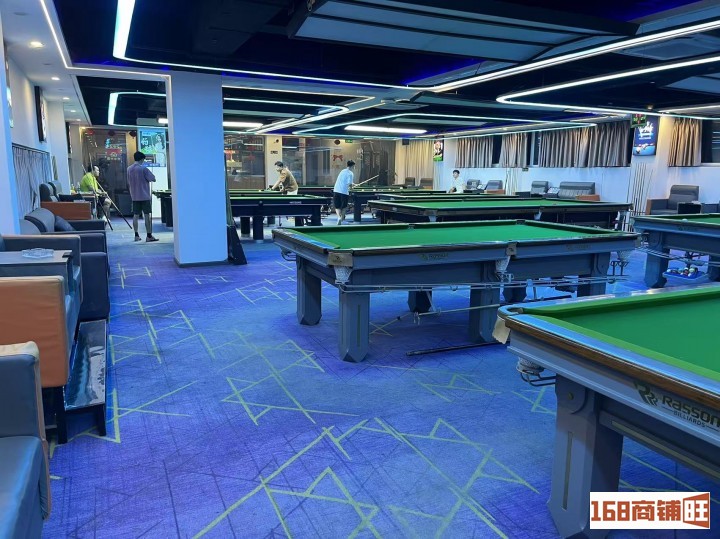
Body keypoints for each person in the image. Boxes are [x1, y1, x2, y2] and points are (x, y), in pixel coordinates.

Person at [127, 151, 158, 242]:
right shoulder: (143, 169)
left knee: (135, 215)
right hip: (144, 196)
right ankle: (149, 236)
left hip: (134, 196)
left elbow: (128, 181)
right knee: (147, 215)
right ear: (142, 159)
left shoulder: (129, 169)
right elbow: (153, 179)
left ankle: (136, 235)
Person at [333, 160, 356, 225]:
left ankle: (339, 218)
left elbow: (344, 181)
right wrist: (352, 187)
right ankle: (342, 219)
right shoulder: (351, 173)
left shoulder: (342, 171)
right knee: (344, 207)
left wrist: (353, 184)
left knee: (337, 206)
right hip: (344, 192)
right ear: (353, 166)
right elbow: (349, 184)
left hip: (336, 190)